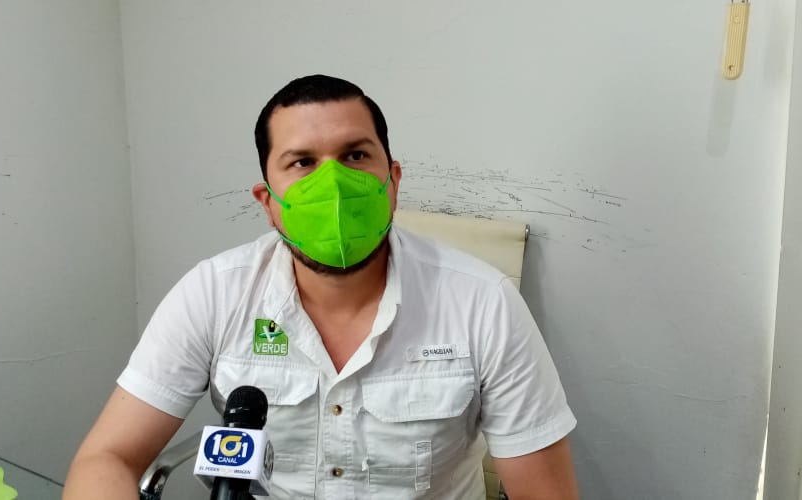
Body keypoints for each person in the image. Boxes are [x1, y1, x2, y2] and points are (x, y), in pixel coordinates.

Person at [64, 75, 578, 499]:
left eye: (354, 156)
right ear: (268, 202)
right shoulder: (213, 294)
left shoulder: (483, 302)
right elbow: (107, 457)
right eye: (302, 163)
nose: (331, 186)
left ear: (393, 181)